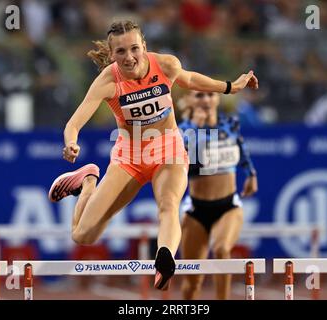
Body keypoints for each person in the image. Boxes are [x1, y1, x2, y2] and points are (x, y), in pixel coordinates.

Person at [47, 20, 259, 291]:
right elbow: (74, 123)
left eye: (134, 48)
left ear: (144, 47)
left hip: (168, 151)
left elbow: (191, 79)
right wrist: (71, 143)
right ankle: (89, 180)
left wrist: (231, 86)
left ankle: (165, 258)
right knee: (84, 235)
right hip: (129, 159)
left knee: (168, 204)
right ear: (112, 55)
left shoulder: (165, 64)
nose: (129, 57)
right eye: (121, 51)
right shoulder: (108, 81)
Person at [178, 90, 258, 299]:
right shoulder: (182, 130)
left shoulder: (230, 124)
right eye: (199, 95)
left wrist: (250, 173)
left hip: (228, 205)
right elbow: (182, 165)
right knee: (192, 282)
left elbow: (241, 148)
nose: (205, 99)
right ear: (188, 100)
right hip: (196, 209)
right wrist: (197, 127)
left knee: (222, 249)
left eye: (210, 95)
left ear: (217, 98)